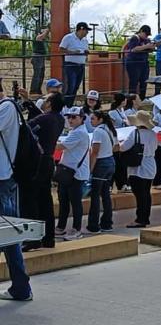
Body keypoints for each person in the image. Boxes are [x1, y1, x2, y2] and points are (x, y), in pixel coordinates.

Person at [20, 92, 65, 252]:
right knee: (45, 200)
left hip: (37, 162)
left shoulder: (46, 119)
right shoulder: (59, 119)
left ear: (50, 103)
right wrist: (29, 102)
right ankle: (48, 237)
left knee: (30, 199)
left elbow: (25, 127)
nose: (43, 101)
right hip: (48, 161)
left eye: (46, 99)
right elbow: (40, 117)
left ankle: (33, 238)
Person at [0, 95, 33, 301]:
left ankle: (21, 288)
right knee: (9, 236)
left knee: (10, 236)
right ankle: (20, 287)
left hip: (3, 180)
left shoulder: (6, 107)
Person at [55, 107, 90, 241]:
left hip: (75, 173)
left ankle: (76, 229)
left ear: (81, 119)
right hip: (68, 172)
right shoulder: (74, 131)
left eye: (74, 117)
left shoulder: (79, 133)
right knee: (64, 201)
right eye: (69, 117)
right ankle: (61, 227)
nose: (70, 119)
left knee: (75, 202)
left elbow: (60, 147)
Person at [118, 111, 157, 228]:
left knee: (140, 195)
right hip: (150, 164)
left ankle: (140, 219)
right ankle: (145, 217)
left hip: (138, 166)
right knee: (146, 193)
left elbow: (123, 148)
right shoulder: (152, 134)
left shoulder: (135, 133)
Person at [86, 110, 118, 234]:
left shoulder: (98, 131)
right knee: (105, 194)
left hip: (101, 163)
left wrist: (90, 169)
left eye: (93, 119)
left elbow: (95, 152)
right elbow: (116, 147)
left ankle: (93, 225)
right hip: (110, 162)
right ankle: (107, 223)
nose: (91, 121)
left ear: (100, 119)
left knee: (95, 196)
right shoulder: (110, 129)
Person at [59, 22, 90, 107]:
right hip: (70, 65)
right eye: (86, 30)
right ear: (81, 29)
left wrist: (86, 53)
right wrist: (73, 52)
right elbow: (61, 49)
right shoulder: (68, 37)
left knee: (76, 87)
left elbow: (85, 51)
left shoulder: (85, 41)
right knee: (70, 86)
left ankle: (69, 105)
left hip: (81, 65)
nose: (87, 33)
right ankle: (65, 106)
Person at [124, 25, 155, 100]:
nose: (146, 36)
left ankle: (142, 99)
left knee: (144, 82)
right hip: (134, 63)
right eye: (146, 34)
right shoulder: (135, 38)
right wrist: (146, 47)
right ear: (141, 31)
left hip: (144, 63)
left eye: (148, 34)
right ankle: (131, 100)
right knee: (133, 83)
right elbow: (134, 49)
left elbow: (150, 49)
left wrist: (151, 47)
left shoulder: (147, 40)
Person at [30, 25, 51, 94]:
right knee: (37, 74)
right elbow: (42, 36)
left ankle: (38, 89)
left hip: (41, 57)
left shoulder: (43, 39)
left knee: (41, 74)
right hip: (37, 56)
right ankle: (33, 90)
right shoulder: (38, 37)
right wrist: (47, 30)